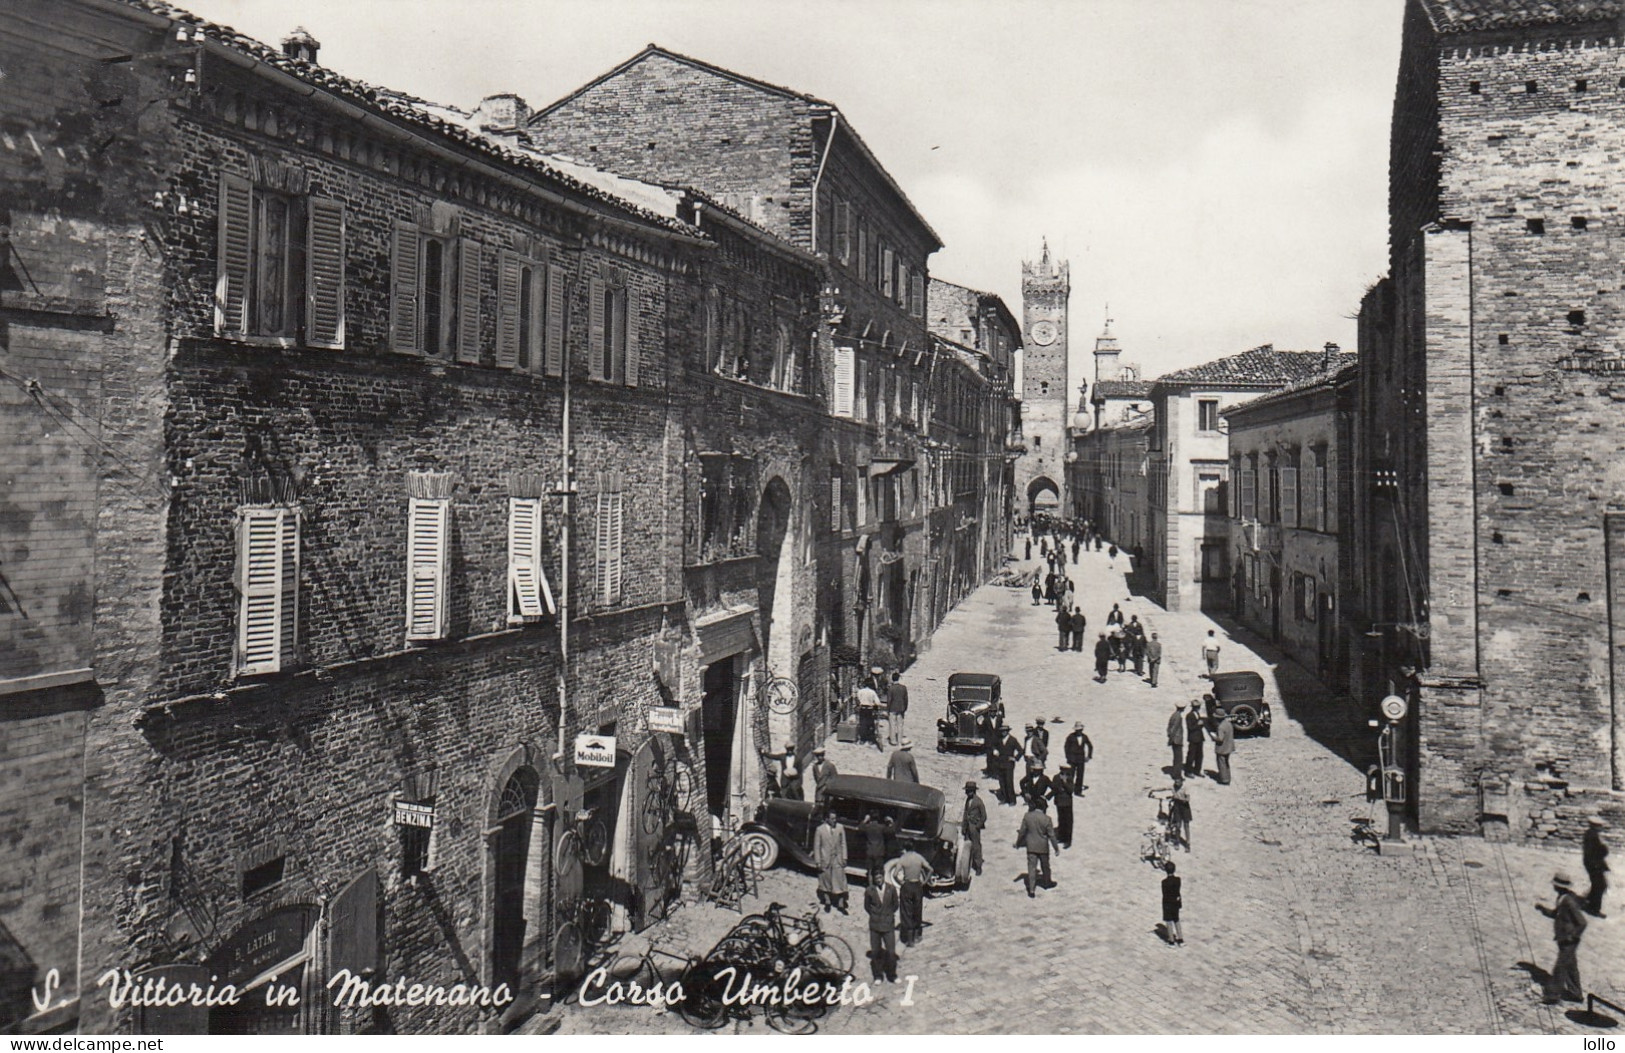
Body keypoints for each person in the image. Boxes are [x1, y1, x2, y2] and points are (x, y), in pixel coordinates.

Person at [1537, 872, 1587, 1004]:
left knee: (1560, 967)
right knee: (1570, 966)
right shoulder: (1562, 897)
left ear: (1559, 886)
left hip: (1568, 940)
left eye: (1555, 885)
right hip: (1563, 938)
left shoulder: (1568, 901)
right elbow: (1556, 914)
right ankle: (1576, 994)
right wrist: (1543, 909)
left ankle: (1552, 996)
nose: (1553, 887)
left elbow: (1582, 922)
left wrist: (1572, 936)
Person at [1015, 796, 1061, 897]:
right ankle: (1046, 882)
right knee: (1045, 866)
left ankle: (1031, 890)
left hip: (1031, 846)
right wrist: (1056, 848)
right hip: (1043, 847)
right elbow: (1052, 836)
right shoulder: (1047, 819)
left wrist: (1018, 843)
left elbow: (1022, 832)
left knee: (1031, 868)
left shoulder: (1027, 816)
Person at [864, 864, 899, 984]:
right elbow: (867, 906)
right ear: (873, 879)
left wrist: (887, 915)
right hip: (875, 926)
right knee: (876, 952)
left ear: (883, 877)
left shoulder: (891, 889)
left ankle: (892, 975)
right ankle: (878, 976)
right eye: (876, 878)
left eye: (880, 877)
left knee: (890, 951)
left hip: (888, 925)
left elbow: (895, 905)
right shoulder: (869, 890)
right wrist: (875, 915)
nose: (878, 879)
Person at [814, 810, 850, 914]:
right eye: (832, 818)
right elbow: (817, 846)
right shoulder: (820, 830)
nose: (834, 820)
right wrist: (818, 861)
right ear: (827, 819)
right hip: (825, 859)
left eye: (835, 818)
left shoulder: (840, 828)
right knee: (825, 881)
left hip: (837, 859)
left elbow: (843, 843)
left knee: (840, 881)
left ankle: (841, 904)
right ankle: (827, 901)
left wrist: (844, 857)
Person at [896, 845, 929, 946]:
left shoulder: (903, 858)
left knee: (906, 911)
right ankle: (916, 936)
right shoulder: (919, 857)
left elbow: (894, 874)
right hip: (917, 885)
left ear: (905, 849)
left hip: (907, 885)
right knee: (917, 910)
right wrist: (925, 881)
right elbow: (930, 869)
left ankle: (909, 940)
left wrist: (901, 882)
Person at [1583, 817, 1610, 917]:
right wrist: (1604, 848)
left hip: (1592, 863)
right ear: (1595, 826)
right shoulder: (1592, 836)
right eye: (1599, 826)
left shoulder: (1590, 834)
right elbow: (1597, 853)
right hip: (1594, 864)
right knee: (1600, 885)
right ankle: (1594, 909)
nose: (1601, 827)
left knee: (1597, 884)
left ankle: (1589, 901)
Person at [993, 724, 1022, 805]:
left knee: (1009, 782)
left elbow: (1020, 750)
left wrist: (1015, 758)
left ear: (1008, 731)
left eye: (1005, 731)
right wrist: (995, 750)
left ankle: (1012, 800)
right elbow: (994, 746)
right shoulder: (999, 740)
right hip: (1000, 763)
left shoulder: (1013, 740)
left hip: (1009, 764)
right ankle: (1005, 799)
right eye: (1002, 731)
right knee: (1002, 782)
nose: (1003, 733)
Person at [962, 781, 987, 875]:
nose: (967, 793)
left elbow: (984, 816)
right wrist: (963, 826)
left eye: (969, 791)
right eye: (967, 791)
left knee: (976, 847)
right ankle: (968, 863)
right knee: (967, 845)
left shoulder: (978, 802)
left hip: (974, 827)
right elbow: (965, 813)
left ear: (973, 791)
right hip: (968, 826)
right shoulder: (968, 800)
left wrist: (977, 826)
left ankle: (978, 866)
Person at [1063, 722, 1093, 795]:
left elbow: (1090, 746)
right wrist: (1068, 757)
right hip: (1072, 759)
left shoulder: (1084, 737)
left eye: (1080, 730)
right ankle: (1069, 790)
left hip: (1081, 759)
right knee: (1071, 775)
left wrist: (1089, 756)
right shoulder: (1070, 736)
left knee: (1080, 775)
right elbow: (1066, 747)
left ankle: (1078, 791)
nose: (1078, 731)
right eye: (1077, 730)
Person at [1048, 769, 1075, 848]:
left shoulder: (1070, 778)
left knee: (1068, 822)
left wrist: (1064, 782)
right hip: (1059, 802)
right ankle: (1061, 837)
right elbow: (1054, 788)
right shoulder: (1056, 777)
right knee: (1061, 820)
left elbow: (1070, 790)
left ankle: (1068, 840)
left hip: (1067, 803)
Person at [856, 678, 883, 750]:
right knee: (870, 724)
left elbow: (858, 699)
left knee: (862, 723)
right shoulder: (872, 692)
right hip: (870, 709)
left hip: (862, 709)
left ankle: (862, 739)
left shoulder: (860, 691)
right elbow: (877, 703)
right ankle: (870, 739)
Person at [1161, 861, 1184, 947]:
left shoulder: (1164, 882)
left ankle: (1171, 941)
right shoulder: (1178, 880)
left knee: (1169, 922)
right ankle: (1180, 939)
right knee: (1177, 920)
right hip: (1176, 903)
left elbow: (1164, 893)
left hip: (1167, 904)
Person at [1184, 700, 1207, 779]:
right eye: (1197, 707)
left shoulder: (1197, 714)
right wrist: (1198, 724)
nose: (1198, 708)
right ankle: (1188, 771)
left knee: (1199, 755)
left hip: (1199, 738)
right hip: (1193, 738)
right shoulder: (1189, 715)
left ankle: (1197, 770)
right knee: (1191, 755)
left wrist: (1201, 724)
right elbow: (1190, 727)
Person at [886, 671, 910, 746]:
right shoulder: (903, 688)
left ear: (892, 679)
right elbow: (906, 699)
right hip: (901, 708)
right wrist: (905, 707)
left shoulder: (891, 688)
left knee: (892, 724)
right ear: (898, 678)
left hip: (892, 708)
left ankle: (893, 740)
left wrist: (888, 708)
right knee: (900, 725)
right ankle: (899, 740)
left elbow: (889, 700)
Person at [1168, 776, 1192, 850]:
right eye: (1175, 781)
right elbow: (1164, 788)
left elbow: (1187, 799)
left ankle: (1187, 843)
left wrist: (1177, 798)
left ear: (1182, 781)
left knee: (1186, 826)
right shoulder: (1173, 786)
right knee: (1177, 825)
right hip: (1177, 807)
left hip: (1184, 807)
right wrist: (1154, 790)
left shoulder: (1185, 788)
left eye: (1178, 782)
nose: (1176, 783)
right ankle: (1177, 841)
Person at [1213, 707, 1235, 785]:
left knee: (1221, 764)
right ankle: (1228, 777)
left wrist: (1214, 737)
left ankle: (1224, 779)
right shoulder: (1228, 724)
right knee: (1226, 762)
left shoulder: (1220, 727)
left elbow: (1220, 739)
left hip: (1222, 748)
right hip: (1229, 747)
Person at [1167, 702, 1186, 775]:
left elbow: (1169, 728)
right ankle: (1177, 775)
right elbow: (1174, 729)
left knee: (1176, 758)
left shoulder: (1174, 715)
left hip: (1175, 739)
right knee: (1178, 759)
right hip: (1177, 740)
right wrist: (1171, 739)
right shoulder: (1178, 717)